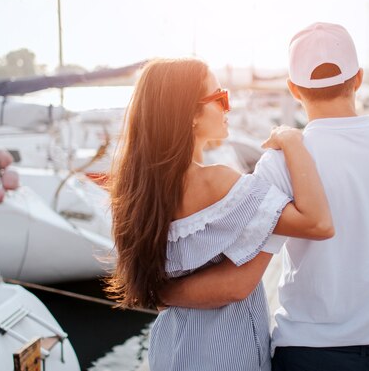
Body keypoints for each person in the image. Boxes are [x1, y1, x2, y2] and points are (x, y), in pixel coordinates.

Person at [160, 23, 369, 371]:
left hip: (306, 352)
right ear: (358, 79)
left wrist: (156, 292)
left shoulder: (280, 163)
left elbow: (241, 279)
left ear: (294, 89)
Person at [105, 57, 334, 371]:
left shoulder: (136, 192)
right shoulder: (215, 181)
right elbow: (317, 222)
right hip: (225, 354)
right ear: (190, 116)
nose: (229, 106)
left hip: (171, 351)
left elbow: (156, 291)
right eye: (219, 98)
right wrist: (292, 140)